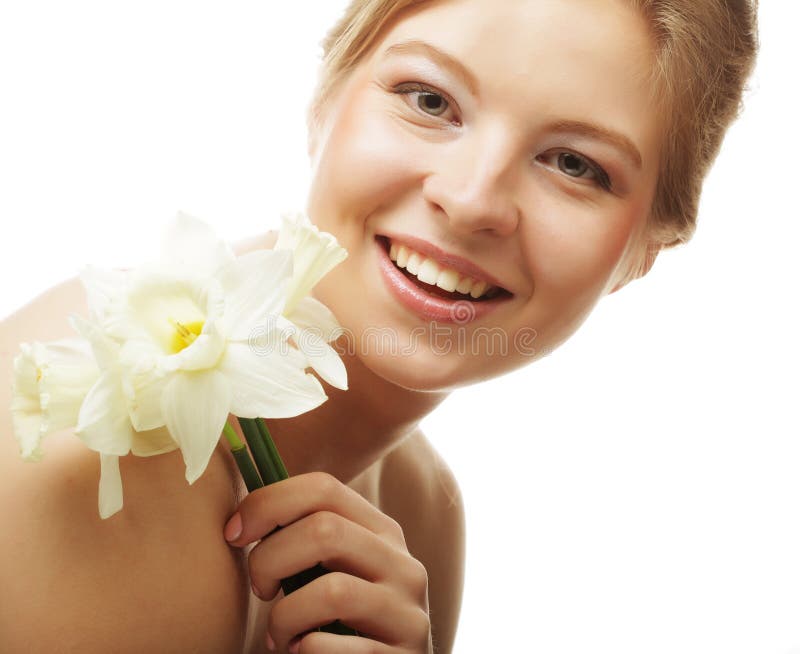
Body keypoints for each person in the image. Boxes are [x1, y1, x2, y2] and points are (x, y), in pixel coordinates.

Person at [0, 0, 758, 652]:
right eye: (429, 100)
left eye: (573, 163)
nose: (470, 200)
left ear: (645, 251)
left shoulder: (421, 517)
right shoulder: (87, 471)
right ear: (326, 96)